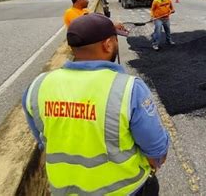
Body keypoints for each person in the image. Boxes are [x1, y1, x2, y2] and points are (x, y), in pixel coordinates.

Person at [22, 13, 169, 195]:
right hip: (126, 189)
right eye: (115, 41)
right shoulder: (128, 89)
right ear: (107, 45)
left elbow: (43, 141)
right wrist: (154, 166)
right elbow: (156, 150)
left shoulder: (37, 87)